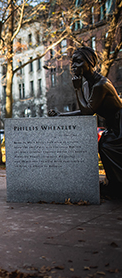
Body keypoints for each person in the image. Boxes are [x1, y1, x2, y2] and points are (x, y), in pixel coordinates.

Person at [48, 46, 122, 198]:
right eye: (73, 62)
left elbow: (88, 111)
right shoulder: (88, 84)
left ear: (90, 63)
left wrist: (77, 90)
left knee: (106, 146)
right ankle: (114, 183)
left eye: (79, 62)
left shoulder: (100, 84)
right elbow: (86, 109)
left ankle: (117, 186)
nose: (74, 66)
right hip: (113, 123)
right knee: (104, 145)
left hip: (120, 123)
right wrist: (61, 115)